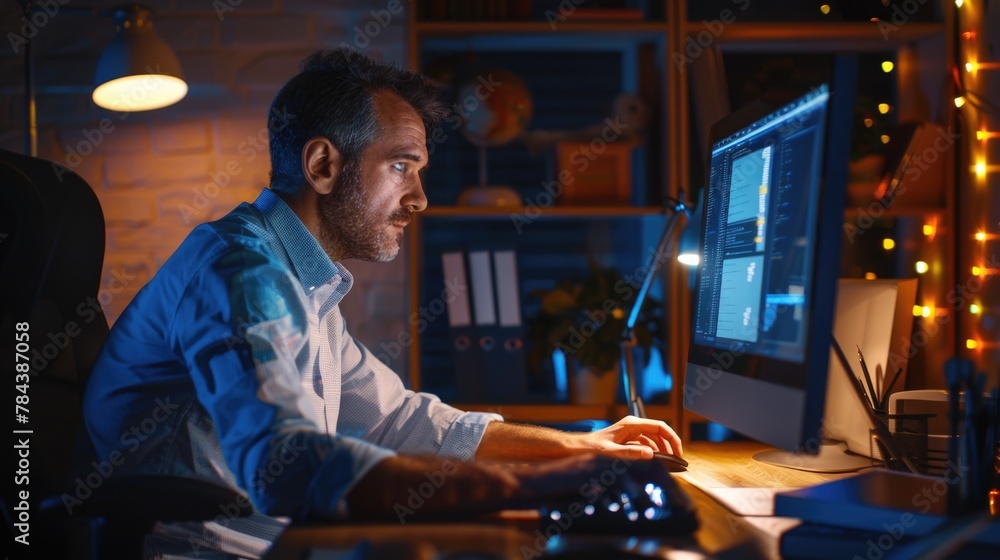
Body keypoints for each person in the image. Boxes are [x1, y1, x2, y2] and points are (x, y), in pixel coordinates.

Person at [82, 48, 682, 552]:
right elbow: (286, 466)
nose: (419, 199)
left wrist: (585, 445)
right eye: (402, 166)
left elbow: (398, 420)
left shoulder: (306, 285)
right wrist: (541, 488)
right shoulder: (243, 273)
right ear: (323, 164)